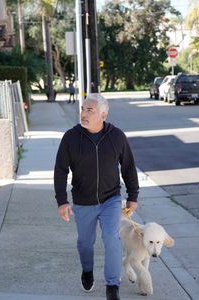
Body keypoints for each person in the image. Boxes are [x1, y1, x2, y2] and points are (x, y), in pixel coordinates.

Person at [54, 93, 139, 300]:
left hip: (111, 199)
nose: (83, 113)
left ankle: (112, 285)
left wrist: (133, 196)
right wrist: (62, 201)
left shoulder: (117, 136)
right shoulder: (71, 137)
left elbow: (128, 167)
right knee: (85, 243)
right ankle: (87, 271)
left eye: (89, 110)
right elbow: (60, 170)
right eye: (83, 109)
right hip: (83, 201)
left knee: (111, 237)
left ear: (103, 114)